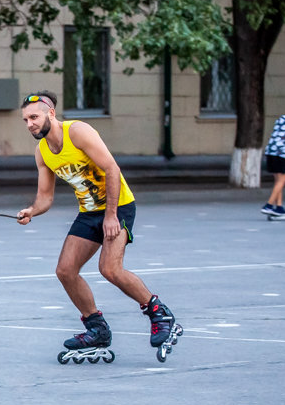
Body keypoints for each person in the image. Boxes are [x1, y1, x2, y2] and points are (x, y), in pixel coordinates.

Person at [15, 91, 178, 352]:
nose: (29, 124)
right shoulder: (42, 152)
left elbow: (112, 169)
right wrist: (32, 211)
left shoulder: (77, 132)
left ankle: (159, 313)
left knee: (110, 269)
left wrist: (112, 215)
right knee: (65, 270)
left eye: (34, 117)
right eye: (25, 120)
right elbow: (45, 197)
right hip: (89, 211)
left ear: (51, 114)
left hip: (118, 206)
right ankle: (97, 329)